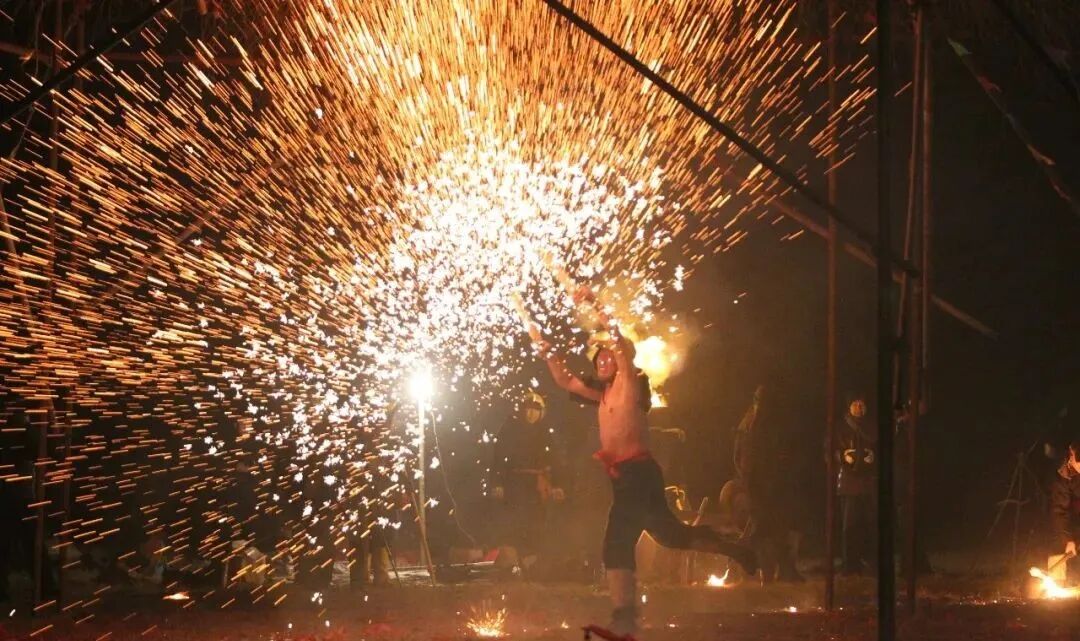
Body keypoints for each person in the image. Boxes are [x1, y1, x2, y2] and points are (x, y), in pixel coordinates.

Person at [533, 285, 756, 635]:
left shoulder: (629, 384)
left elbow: (620, 343)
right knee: (670, 535)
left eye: (609, 358)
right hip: (626, 477)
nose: (605, 361)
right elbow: (564, 379)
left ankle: (625, 614)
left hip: (638, 473)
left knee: (616, 543)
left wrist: (594, 303)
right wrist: (544, 350)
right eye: (599, 360)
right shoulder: (601, 394)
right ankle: (736, 549)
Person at [490, 391, 564, 575]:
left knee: (536, 523)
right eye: (528, 409)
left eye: (535, 410)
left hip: (537, 487)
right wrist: (497, 483)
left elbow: (556, 460)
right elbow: (498, 457)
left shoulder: (546, 434)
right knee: (515, 522)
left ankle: (531, 565)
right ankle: (513, 564)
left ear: (541, 413)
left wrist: (557, 485)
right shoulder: (510, 429)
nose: (530, 414)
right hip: (514, 484)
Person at [834, 395, 876, 575]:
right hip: (849, 483)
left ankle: (869, 561)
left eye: (861, 404)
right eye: (855, 404)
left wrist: (873, 457)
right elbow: (831, 449)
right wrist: (843, 457)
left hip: (869, 483)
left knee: (870, 523)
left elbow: (879, 447)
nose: (858, 407)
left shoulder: (872, 427)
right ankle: (850, 563)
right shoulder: (840, 427)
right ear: (849, 406)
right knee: (849, 525)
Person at [1050, 436, 1080, 575]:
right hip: (1075, 522)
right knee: (1062, 545)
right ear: (1071, 454)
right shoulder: (1064, 476)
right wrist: (1068, 539)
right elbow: (1060, 511)